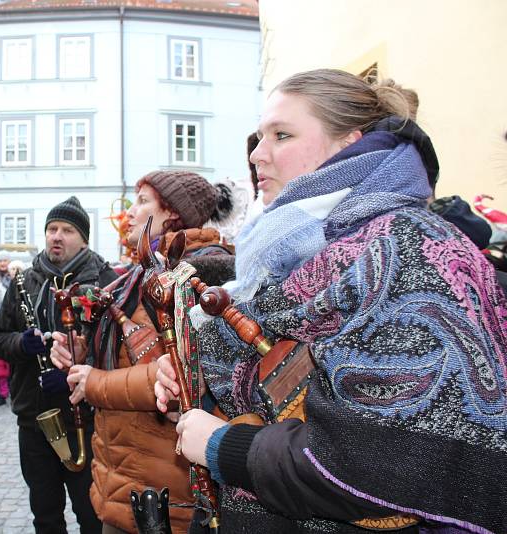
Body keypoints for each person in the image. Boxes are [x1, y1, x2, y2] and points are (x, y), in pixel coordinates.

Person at [154, 69, 507, 533]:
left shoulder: (409, 248)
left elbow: (390, 458)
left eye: (282, 135)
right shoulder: (289, 251)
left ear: (349, 144)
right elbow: (273, 382)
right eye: (260, 137)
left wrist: (224, 446)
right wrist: (194, 374)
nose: (258, 155)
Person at [50, 171, 238, 533]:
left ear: (170, 214)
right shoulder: (140, 274)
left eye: (142, 202)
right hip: (125, 476)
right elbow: (130, 351)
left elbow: (184, 376)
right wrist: (82, 350)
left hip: (166, 488)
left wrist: (95, 382)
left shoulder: (198, 273)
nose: (129, 213)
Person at [0, 196, 116, 533]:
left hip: (85, 417)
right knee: (45, 514)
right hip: (34, 418)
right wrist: (22, 343)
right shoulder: (26, 281)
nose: (56, 236)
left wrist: (76, 374)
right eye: (51, 229)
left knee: (91, 513)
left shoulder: (104, 280)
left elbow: (116, 351)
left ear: (84, 238)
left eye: (67, 230)